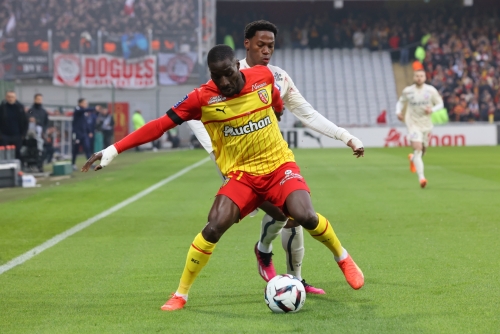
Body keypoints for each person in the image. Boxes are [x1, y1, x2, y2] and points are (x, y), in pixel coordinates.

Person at [82, 44, 365, 311]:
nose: (224, 82)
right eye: (217, 76)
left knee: (305, 215)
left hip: (279, 166)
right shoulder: (201, 97)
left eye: (228, 73)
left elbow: (277, 103)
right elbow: (159, 126)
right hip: (242, 176)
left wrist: (275, 114)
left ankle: (342, 257)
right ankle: (181, 293)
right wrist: (114, 149)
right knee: (214, 226)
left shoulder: (263, 77)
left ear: (237, 66)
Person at [187, 20, 365, 294]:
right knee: (287, 216)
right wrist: (215, 155)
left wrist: (346, 136)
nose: (267, 50)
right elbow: (194, 115)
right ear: (246, 44)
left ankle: (289, 276)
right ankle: (269, 255)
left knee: (293, 216)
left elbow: (307, 113)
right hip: (240, 170)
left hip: (274, 162)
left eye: (271, 45)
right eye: (261, 45)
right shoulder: (227, 75)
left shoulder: (278, 77)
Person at [395, 65, 444, 188]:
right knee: (418, 148)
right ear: (414, 77)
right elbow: (400, 102)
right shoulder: (408, 91)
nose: (419, 78)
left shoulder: (431, 91)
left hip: (426, 124)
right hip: (412, 123)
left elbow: (441, 104)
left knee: (422, 151)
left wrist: (432, 109)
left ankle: (412, 159)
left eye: (421, 76)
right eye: (417, 76)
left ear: (425, 77)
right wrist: (398, 112)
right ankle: (422, 178)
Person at [72, 98, 100, 170]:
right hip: (77, 134)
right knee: (75, 149)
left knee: (87, 148)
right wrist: (94, 108)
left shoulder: (84, 113)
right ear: (80, 103)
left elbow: (85, 123)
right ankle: (73, 164)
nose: (86, 105)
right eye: (85, 103)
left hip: (84, 133)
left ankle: (90, 163)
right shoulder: (77, 109)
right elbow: (83, 110)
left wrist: (89, 131)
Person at [0, 91, 28, 161]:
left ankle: (17, 169)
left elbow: (25, 122)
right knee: (4, 154)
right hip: (4, 136)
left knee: (17, 154)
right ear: (6, 98)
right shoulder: (2, 108)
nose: (10, 99)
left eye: (12, 97)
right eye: (9, 97)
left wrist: (23, 134)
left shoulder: (20, 108)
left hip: (17, 135)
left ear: (15, 98)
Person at [28, 94, 49, 171]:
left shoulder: (43, 111)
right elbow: (29, 117)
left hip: (42, 134)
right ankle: (34, 166)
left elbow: (46, 123)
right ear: (34, 99)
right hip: (32, 135)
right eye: (38, 99)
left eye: (40, 99)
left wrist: (44, 131)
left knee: (45, 150)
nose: (39, 100)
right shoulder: (31, 110)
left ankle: (40, 165)